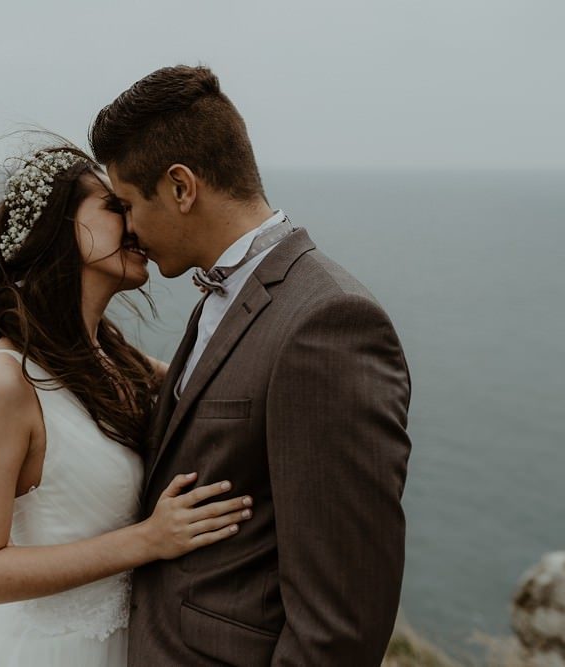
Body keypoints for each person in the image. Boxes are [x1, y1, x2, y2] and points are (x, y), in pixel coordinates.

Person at [89, 65, 413, 666]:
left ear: (182, 188)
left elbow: (342, 617)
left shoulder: (329, 324)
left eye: (130, 204)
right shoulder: (229, 294)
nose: (129, 228)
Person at [0, 147, 253, 667]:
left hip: (135, 644)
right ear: (59, 230)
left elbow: (215, 388)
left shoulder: (114, 357)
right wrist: (149, 540)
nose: (136, 223)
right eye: (115, 208)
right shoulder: (7, 379)